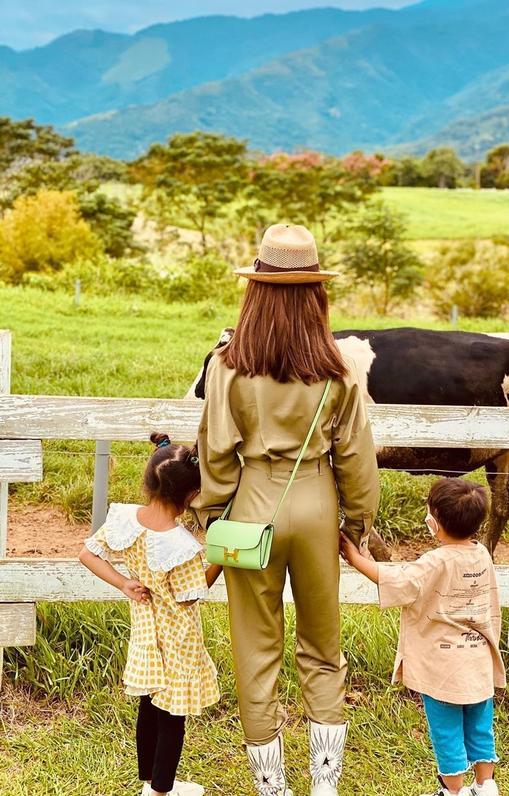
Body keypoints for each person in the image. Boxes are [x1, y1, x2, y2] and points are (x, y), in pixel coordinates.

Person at [190, 224, 380, 796]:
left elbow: (215, 452)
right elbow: (356, 456)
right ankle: (325, 783)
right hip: (317, 499)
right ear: (316, 292)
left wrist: (211, 518)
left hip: (251, 504)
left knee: (256, 648)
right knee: (323, 646)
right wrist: (357, 525)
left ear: (255, 290)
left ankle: (272, 787)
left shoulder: (228, 365)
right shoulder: (338, 366)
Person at [340, 478, 505, 796]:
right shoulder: (482, 555)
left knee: (447, 733)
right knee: (480, 728)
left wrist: (355, 558)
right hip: (479, 663)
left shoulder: (435, 561)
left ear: (434, 522)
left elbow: (399, 582)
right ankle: (486, 786)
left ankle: (452, 791)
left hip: (443, 670)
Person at [79, 433, 222, 796]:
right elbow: (190, 597)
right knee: (172, 717)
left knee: (148, 707)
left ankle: (150, 782)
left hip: (145, 634)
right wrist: (220, 563)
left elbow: (88, 554)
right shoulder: (182, 546)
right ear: (191, 496)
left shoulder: (126, 520)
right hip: (178, 642)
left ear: (149, 480)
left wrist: (124, 583)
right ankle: (161, 791)